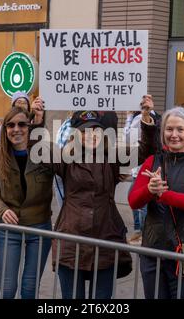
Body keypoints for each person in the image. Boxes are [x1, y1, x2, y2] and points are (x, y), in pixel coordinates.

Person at [129, 106, 184, 299]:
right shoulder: (152, 160)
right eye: (169, 129)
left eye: (180, 129)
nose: (174, 134)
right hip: (153, 252)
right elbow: (134, 201)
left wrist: (163, 194)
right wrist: (149, 190)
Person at [51, 110, 132, 299]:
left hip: (106, 241)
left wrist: (147, 119)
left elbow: (144, 150)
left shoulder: (112, 159)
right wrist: (36, 122)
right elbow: (38, 153)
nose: (91, 135)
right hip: (71, 243)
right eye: (86, 131)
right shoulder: (65, 159)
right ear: (76, 135)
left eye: (96, 130)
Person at [0, 106, 53, 299]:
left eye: (22, 124)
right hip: (8, 228)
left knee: (30, 288)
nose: (16, 129)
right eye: (10, 125)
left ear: (29, 127)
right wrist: (1, 209)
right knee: (7, 288)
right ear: (5, 129)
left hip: (39, 228)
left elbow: (73, 165)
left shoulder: (45, 152)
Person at [124, 95, 162, 245]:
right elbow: (128, 141)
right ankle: (140, 230)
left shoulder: (152, 117)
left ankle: (145, 233)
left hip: (147, 166)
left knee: (143, 199)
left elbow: (129, 137)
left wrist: (132, 117)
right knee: (135, 197)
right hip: (138, 165)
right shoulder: (134, 118)